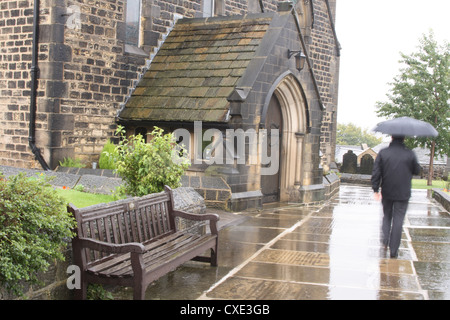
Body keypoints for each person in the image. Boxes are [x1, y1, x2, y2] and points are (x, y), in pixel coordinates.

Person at [371, 135, 421, 258]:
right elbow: (417, 170)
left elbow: (376, 172)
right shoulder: (410, 154)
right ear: (404, 138)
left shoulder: (384, 153)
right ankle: (394, 250)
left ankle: (385, 240)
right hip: (403, 192)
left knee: (387, 216)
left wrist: (375, 189)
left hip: (387, 190)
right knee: (398, 220)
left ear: (392, 137)